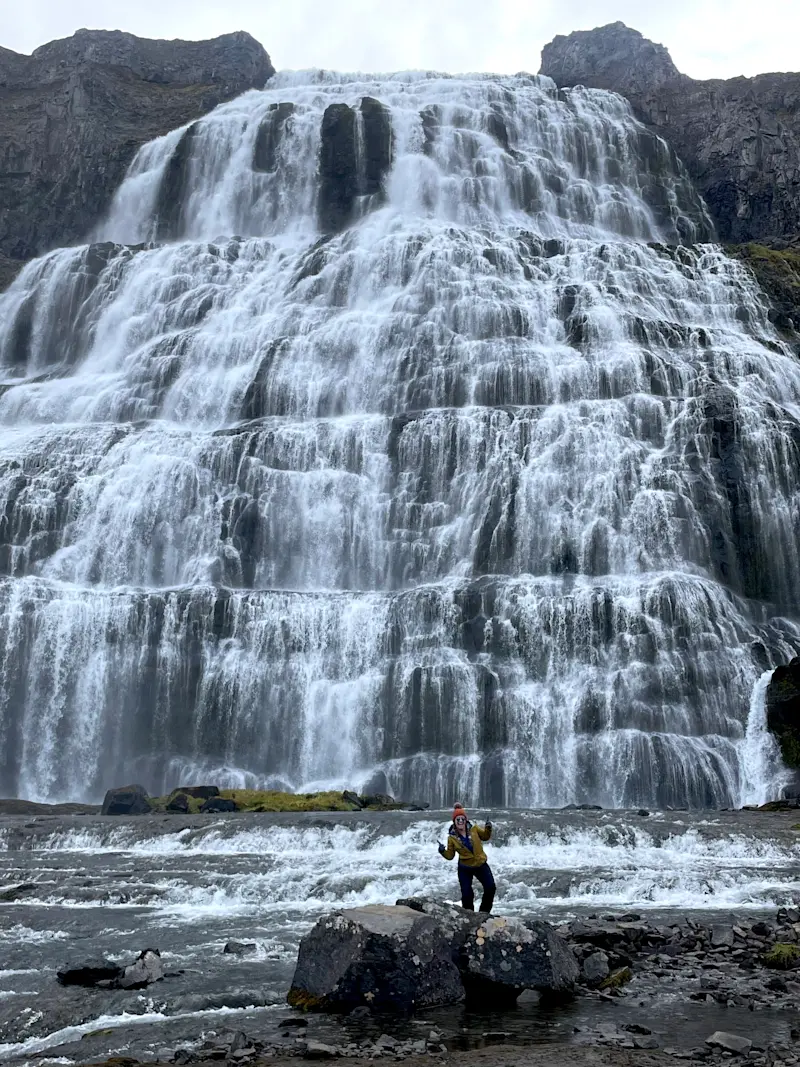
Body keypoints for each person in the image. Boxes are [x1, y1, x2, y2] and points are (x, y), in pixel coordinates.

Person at [437, 803, 495, 913]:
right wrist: (442, 851)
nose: (460, 821)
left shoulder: (474, 829)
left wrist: (488, 828)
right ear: (454, 822)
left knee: (490, 888)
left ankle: (484, 913)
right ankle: (469, 915)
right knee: (467, 894)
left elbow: (485, 837)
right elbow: (450, 856)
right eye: (458, 819)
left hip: (480, 864)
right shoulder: (452, 838)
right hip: (465, 868)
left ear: (465, 820)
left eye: (462, 819)